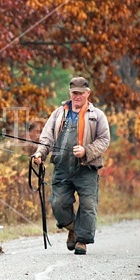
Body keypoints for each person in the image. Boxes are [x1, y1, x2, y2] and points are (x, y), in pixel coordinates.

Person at [32, 77, 110, 255]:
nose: (77, 96)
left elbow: (104, 140)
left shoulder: (97, 115)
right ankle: (73, 229)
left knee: (89, 205)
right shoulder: (58, 114)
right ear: (70, 93)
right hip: (62, 167)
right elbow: (47, 138)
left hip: (86, 169)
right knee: (58, 203)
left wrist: (86, 151)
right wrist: (39, 154)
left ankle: (82, 241)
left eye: (81, 93)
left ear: (87, 94)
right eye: (74, 93)